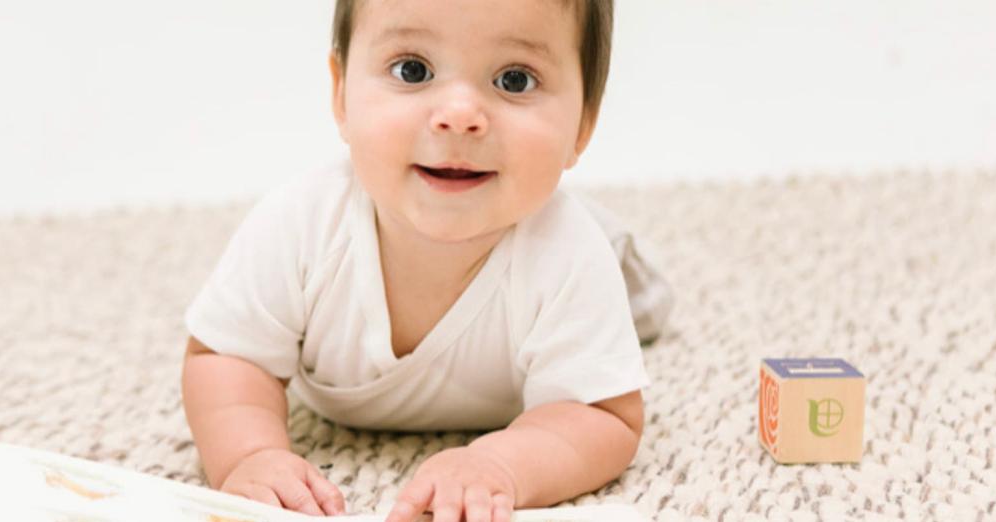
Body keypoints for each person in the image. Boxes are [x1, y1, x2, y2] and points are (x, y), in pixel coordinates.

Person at [181, 1, 671, 520]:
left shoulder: (569, 253)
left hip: (573, 254)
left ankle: (628, 263)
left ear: (584, 123)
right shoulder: (301, 226)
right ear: (342, 93)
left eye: (514, 79)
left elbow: (604, 414)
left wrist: (502, 464)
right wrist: (249, 455)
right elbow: (225, 356)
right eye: (412, 70)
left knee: (637, 301)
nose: (458, 115)